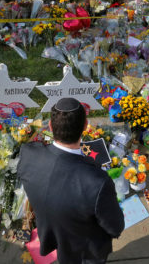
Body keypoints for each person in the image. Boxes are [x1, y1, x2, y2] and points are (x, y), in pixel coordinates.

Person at [17, 97, 124, 264]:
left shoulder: (28, 154)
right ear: (85, 126)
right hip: (86, 249)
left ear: (51, 127)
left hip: (52, 233)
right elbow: (115, 226)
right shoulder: (97, 182)